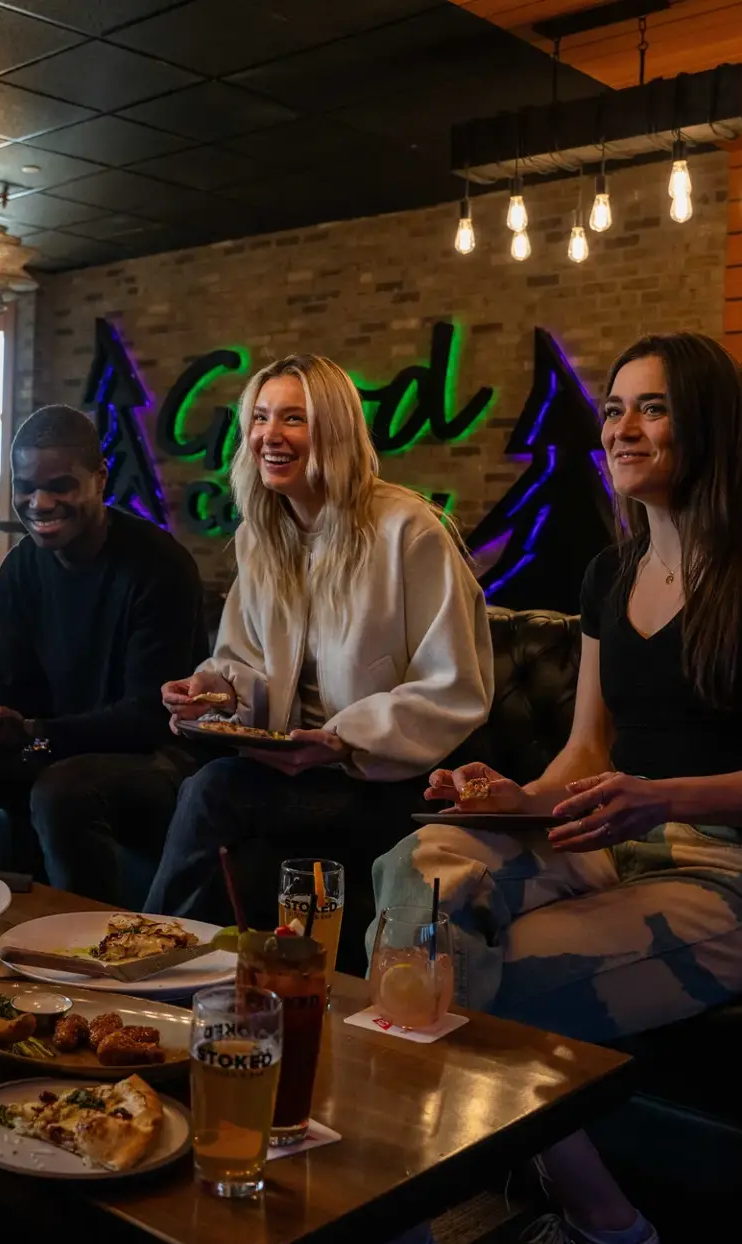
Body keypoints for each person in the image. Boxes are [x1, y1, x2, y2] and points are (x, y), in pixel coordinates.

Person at [366, 333, 742, 1244]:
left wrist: (662, 797)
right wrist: (514, 799)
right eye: (613, 408)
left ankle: (590, 1235)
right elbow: (589, 753)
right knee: (415, 874)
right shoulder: (612, 572)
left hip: (739, 874)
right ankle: (408, 1225)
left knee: (477, 985)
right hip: (606, 838)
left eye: (653, 407)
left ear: (710, 422)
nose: (622, 428)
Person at [149, 353, 495, 967]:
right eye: (259, 418)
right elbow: (243, 664)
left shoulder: (408, 529)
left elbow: (453, 688)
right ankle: (193, 976)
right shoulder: (263, 533)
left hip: (389, 780)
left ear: (334, 430)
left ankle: (149, 960)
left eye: (294, 418)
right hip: (298, 770)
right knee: (211, 789)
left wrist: (341, 740)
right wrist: (212, 692)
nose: (269, 436)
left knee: (212, 791)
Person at [0, 405, 207, 905]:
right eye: (25, 487)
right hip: (51, 745)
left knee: (63, 789)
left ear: (100, 478)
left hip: (155, 757)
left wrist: (36, 733)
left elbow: (149, 714)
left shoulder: (159, 567)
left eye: (60, 486)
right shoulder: (20, 569)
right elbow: (13, 685)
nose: (39, 502)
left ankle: (87, 947)